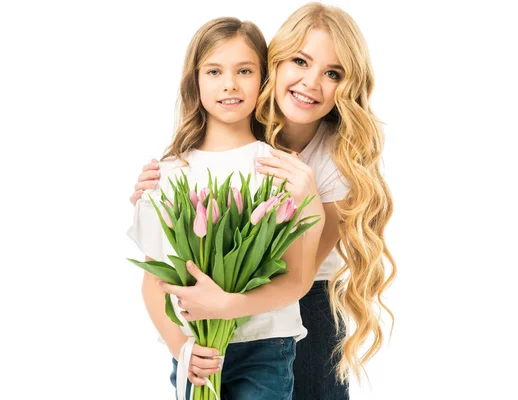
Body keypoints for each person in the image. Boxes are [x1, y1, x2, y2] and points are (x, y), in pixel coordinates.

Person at [130, 3, 397, 399]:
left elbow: (297, 277)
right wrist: (152, 196)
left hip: (303, 298)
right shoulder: (233, 123)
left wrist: (223, 305)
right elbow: (158, 269)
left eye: (333, 73)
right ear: (274, 66)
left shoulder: (333, 160)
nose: (311, 83)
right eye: (301, 62)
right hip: (218, 299)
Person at [126, 16, 325, 400]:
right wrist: (179, 348)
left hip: (265, 347)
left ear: (263, 80)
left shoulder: (281, 169)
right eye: (214, 70)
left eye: (245, 70)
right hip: (195, 349)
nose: (230, 83)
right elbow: (155, 280)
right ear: (195, 81)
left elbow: (297, 278)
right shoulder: (169, 173)